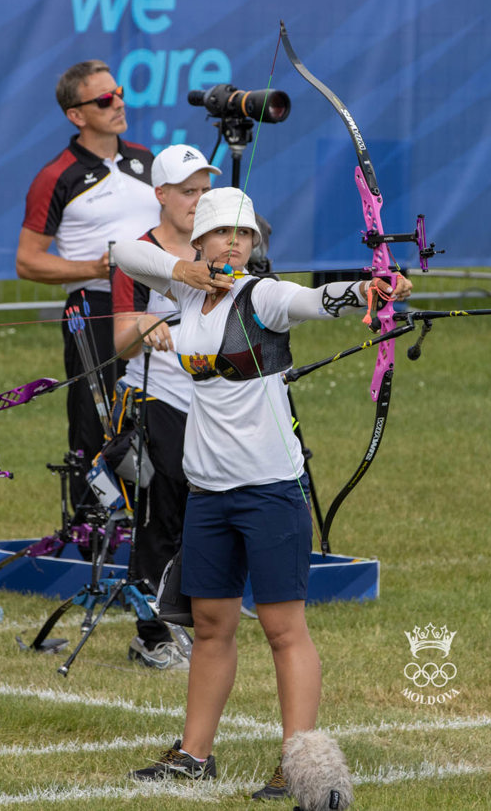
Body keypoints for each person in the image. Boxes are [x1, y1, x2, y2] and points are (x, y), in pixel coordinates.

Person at [115, 187, 412, 797]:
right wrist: (182, 271)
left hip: (269, 488)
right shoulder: (186, 293)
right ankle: (194, 754)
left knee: (283, 628)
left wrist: (370, 288)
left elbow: (317, 298)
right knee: (211, 624)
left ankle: (297, 761)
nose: (234, 243)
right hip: (209, 488)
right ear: (198, 242)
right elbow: (121, 253)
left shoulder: (263, 296)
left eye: (244, 235)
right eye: (221, 234)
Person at [17, 60, 158, 522]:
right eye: (103, 99)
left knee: (160, 408)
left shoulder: (146, 160)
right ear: (76, 115)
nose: (118, 102)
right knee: (95, 417)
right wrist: (94, 267)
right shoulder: (56, 174)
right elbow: (28, 260)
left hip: (156, 304)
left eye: (117, 92)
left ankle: (154, 521)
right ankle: (91, 528)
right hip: (94, 306)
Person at [112, 144, 219, 672]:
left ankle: (195, 615)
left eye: (204, 190)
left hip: (214, 401)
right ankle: (151, 633)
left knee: (210, 509)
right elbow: (119, 344)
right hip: (156, 397)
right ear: (160, 195)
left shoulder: (222, 247)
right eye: (187, 191)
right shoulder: (139, 252)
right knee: (161, 513)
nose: (197, 201)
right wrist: (142, 327)